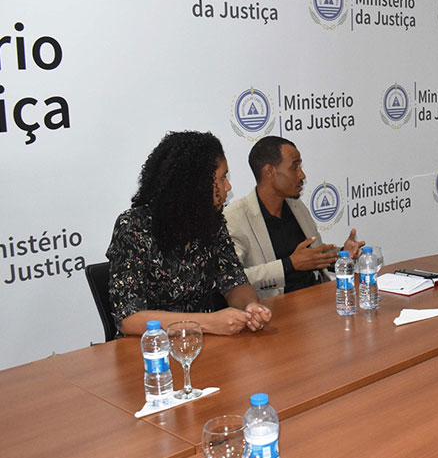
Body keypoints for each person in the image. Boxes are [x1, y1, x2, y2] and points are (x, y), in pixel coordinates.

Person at [106, 131, 271, 336]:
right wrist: (207, 322)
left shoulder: (211, 222)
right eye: (221, 178)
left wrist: (250, 308)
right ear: (195, 184)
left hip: (201, 343)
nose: (228, 187)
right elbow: (129, 319)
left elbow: (234, 281)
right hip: (149, 350)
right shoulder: (133, 227)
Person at [224, 136, 363, 299]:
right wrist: (289, 265)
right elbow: (232, 279)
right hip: (278, 310)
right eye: (294, 167)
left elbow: (312, 257)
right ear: (269, 171)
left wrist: (341, 255)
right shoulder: (235, 217)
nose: (302, 175)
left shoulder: (296, 206)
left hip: (319, 299)